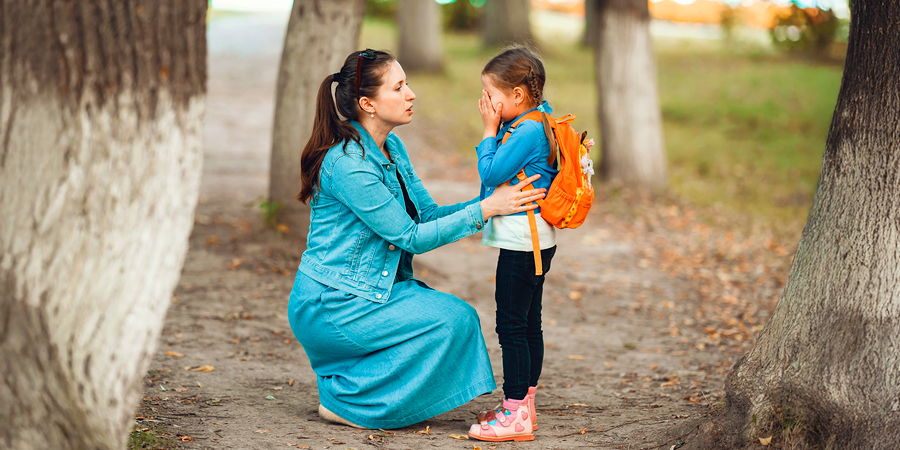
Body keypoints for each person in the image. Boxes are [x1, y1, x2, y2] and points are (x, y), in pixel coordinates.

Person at [287, 48, 547, 430]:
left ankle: (351, 385)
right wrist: (488, 210)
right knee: (450, 321)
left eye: (407, 83)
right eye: (399, 87)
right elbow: (410, 236)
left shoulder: (391, 146)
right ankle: (346, 400)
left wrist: (492, 200)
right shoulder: (348, 165)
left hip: (374, 290)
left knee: (455, 320)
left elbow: (427, 214)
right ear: (367, 104)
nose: (411, 94)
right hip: (334, 303)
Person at [468, 47, 558, 442]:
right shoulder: (537, 121)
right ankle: (526, 406)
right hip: (536, 240)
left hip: (525, 243)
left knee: (511, 326)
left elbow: (491, 172)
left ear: (518, 95)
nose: (485, 102)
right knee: (527, 323)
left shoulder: (527, 131)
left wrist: (488, 130)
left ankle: (515, 411)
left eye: (491, 95)